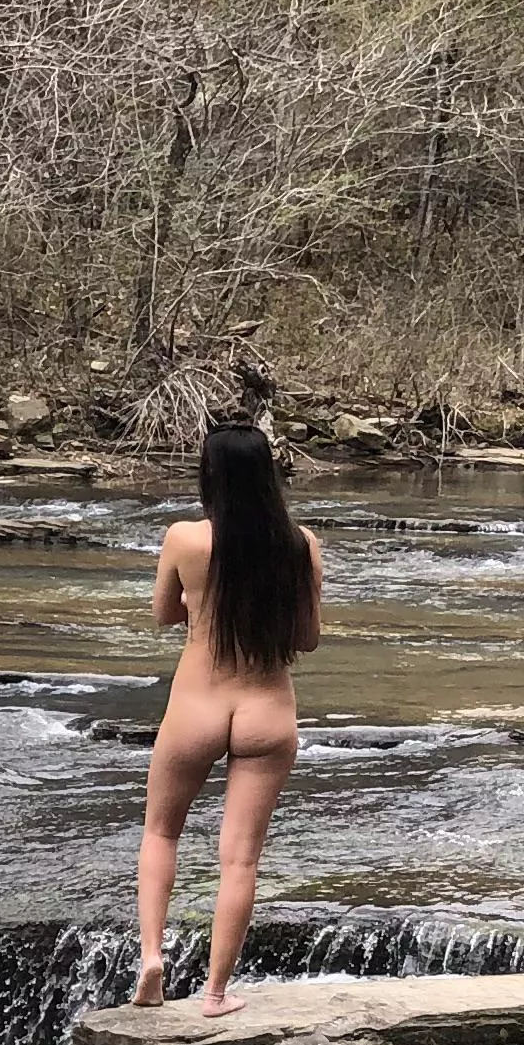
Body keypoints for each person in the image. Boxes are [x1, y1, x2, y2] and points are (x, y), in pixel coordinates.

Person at [133, 419, 323, 1011]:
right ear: (269, 476)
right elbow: (309, 639)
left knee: (161, 832)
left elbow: (164, 614)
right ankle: (215, 993)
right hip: (267, 710)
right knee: (240, 857)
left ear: (208, 475)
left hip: (197, 706)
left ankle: (152, 959)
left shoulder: (184, 540)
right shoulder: (301, 544)